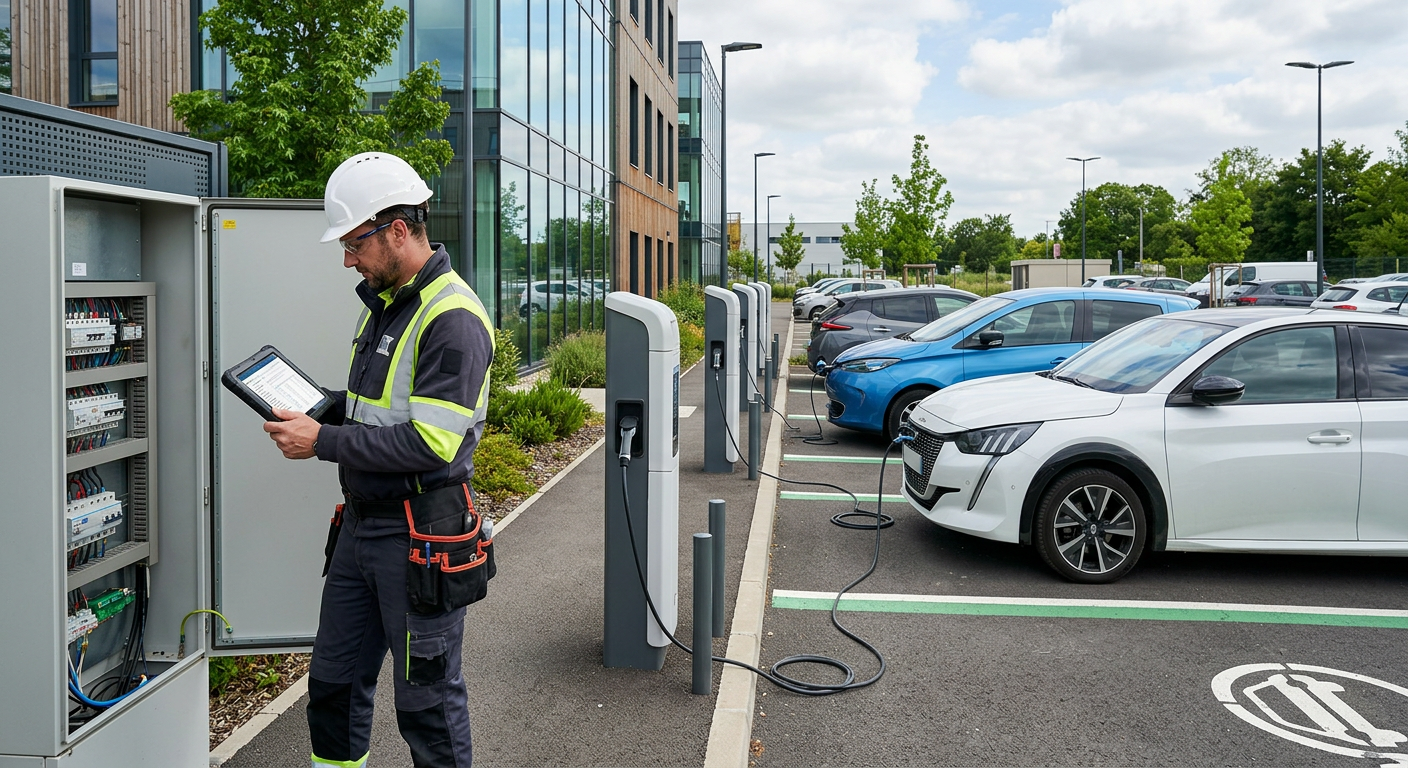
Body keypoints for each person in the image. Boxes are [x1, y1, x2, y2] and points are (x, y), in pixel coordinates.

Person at [262, 152, 495, 768]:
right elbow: (376, 407)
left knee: (427, 704)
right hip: (363, 527)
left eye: (353, 242)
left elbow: (429, 443)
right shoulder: (388, 302)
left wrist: (321, 441)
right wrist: (324, 409)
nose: (346, 259)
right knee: (333, 689)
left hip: (422, 532)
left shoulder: (453, 318)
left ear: (396, 229)